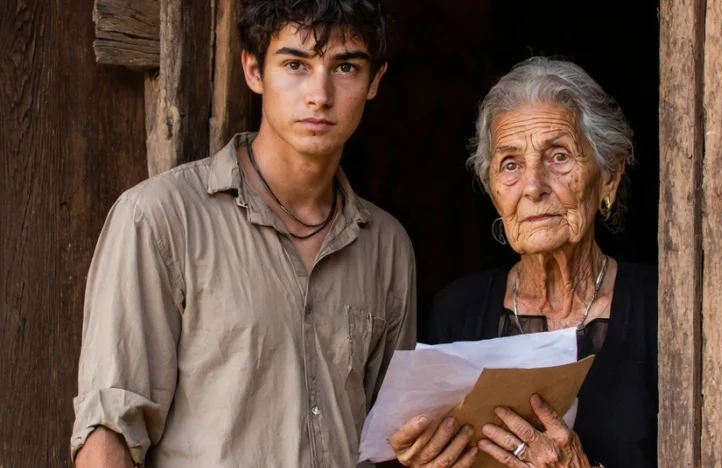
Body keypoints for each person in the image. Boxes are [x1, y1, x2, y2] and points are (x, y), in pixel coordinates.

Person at [70, 1, 417, 466]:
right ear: (253, 70)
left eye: (345, 67)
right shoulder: (160, 218)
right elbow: (109, 432)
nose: (320, 94)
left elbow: (391, 440)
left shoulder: (387, 246)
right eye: (295, 64)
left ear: (374, 81)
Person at [388, 57, 657, 468]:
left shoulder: (661, 309)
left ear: (609, 176)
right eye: (511, 164)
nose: (533, 187)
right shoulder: (457, 312)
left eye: (558, 157)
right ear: (494, 191)